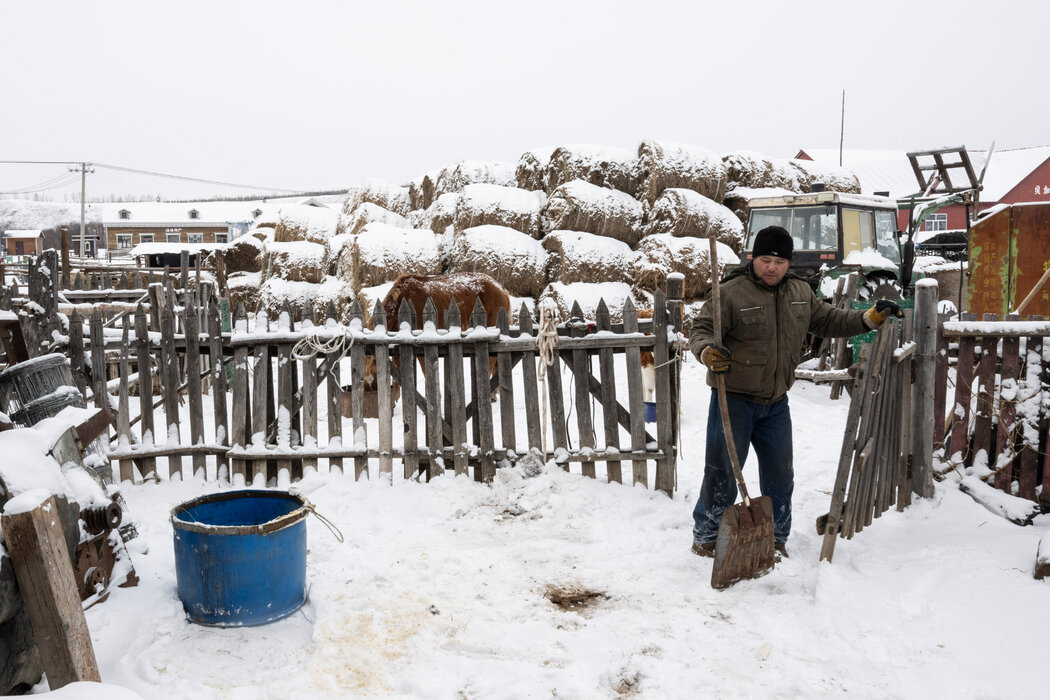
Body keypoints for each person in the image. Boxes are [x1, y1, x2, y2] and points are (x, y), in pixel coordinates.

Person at [688, 225, 902, 558]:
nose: (771, 267)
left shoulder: (800, 292)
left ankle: (775, 538)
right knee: (722, 471)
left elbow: (830, 320)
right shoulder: (730, 293)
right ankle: (707, 535)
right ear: (753, 258)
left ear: (789, 263)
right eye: (764, 259)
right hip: (734, 399)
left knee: (780, 475)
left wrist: (869, 318)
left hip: (775, 403)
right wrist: (705, 351)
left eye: (778, 260)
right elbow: (700, 330)